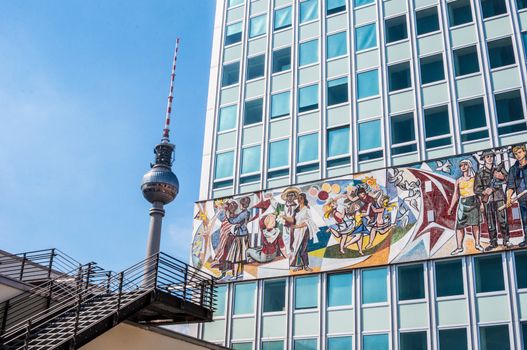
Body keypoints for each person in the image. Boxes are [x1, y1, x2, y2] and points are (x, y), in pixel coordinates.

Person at [474, 150, 510, 251]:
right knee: (490, 222)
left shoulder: (499, 169)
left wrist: (501, 177)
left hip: (499, 197)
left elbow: (508, 179)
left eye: (491, 156)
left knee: (503, 220)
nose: (490, 158)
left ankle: (506, 240)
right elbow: (476, 189)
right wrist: (485, 191)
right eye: (487, 157)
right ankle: (493, 242)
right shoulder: (480, 173)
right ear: (484, 159)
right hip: (488, 200)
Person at [448, 159, 484, 255]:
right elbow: (456, 195)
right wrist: (451, 207)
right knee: (459, 226)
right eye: (461, 165)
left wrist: (482, 204)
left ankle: (477, 244)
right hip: (463, 204)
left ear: (469, 166)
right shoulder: (458, 181)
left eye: (465, 165)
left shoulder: (474, 179)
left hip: (474, 201)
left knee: (475, 224)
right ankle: (459, 247)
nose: (463, 167)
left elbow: (478, 192)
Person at [289, 193, 318, 271]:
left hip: (304, 231)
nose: (299, 200)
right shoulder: (296, 209)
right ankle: (299, 266)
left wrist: (298, 226)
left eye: (301, 198)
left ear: (304, 199)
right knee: (296, 248)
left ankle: (306, 266)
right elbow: (292, 220)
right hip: (296, 232)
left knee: (303, 249)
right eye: (298, 198)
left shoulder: (307, 208)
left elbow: (309, 220)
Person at [226, 196, 251, 280]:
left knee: (236, 256)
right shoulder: (246, 212)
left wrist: (228, 215)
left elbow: (234, 221)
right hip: (244, 235)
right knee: (243, 255)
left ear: (242, 205)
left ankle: (235, 275)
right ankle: (241, 273)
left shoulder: (243, 213)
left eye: (240, 204)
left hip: (240, 236)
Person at [506, 144, 527, 247]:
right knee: (525, 220)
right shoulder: (513, 169)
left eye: (519, 152)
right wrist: (508, 199)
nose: (518, 155)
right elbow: (510, 186)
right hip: (523, 200)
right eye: (515, 154)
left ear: (524, 152)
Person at [211, 200, 237, 278]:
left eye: (233, 207)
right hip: (225, 237)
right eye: (230, 206)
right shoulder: (225, 215)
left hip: (232, 238)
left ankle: (233, 273)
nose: (231, 208)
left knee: (232, 255)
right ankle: (223, 273)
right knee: (224, 254)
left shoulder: (235, 216)